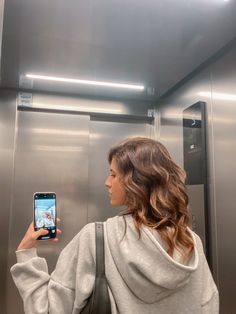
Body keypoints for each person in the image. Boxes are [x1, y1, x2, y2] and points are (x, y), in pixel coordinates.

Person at [11, 137, 219, 314]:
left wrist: (26, 251)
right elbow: (208, 306)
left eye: (113, 174)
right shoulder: (191, 242)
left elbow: (47, 310)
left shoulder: (96, 238)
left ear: (135, 181)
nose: (107, 182)